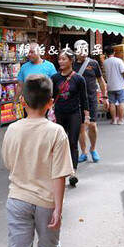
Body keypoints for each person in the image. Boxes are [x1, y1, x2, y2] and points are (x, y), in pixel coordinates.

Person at [2, 74, 73, 247]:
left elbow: (9, 163)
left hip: (17, 199)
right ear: (50, 103)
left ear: (22, 101)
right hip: (45, 202)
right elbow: (59, 174)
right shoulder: (56, 132)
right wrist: (58, 208)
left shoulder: (12, 129)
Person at [51, 48, 89, 187]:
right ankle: (59, 171)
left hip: (74, 113)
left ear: (71, 60)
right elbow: (51, 96)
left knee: (73, 142)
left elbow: (84, 98)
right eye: (59, 59)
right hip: (59, 113)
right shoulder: (55, 78)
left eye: (64, 59)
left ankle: (73, 172)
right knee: (59, 143)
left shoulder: (79, 79)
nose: (61, 61)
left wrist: (86, 116)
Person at [72, 40, 107, 163]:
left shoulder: (93, 63)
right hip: (77, 100)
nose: (84, 52)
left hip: (91, 99)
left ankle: (93, 148)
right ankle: (84, 152)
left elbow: (101, 80)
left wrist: (105, 97)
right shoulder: (71, 64)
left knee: (92, 125)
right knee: (81, 127)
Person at [102, 45, 124, 125]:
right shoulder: (118, 61)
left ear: (106, 54)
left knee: (112, 102)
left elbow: (104, 75)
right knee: (122, 102)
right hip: (120, 85)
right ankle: (121, 120)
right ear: (114, 52)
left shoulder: (105, 62)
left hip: (110, 86)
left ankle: (114, 120)